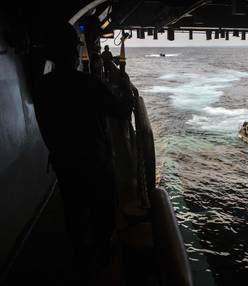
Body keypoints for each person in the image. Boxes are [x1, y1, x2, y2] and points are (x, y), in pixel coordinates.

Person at [33, 22, 134, 279]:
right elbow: (122, 111)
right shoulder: (88, 84)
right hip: (96, 164)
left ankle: (81, 261)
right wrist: (125, 86)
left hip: (64, 164)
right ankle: (101, 260)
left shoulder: (42, 87)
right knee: (103, 213)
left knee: (74, 213)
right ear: (73, 52)